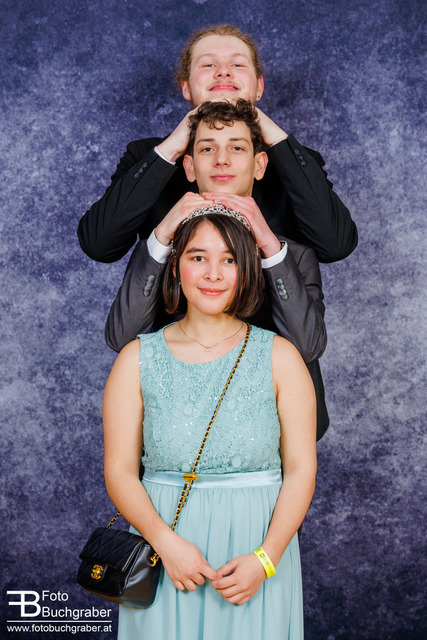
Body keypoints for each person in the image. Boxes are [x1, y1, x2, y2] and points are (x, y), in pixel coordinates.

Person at [103, 208, 317, 639]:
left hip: (257, 549)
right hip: (165, 547)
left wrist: (265, 559)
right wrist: (166, 545)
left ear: (247, 270)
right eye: (198, 257)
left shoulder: (281, 357)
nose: (213, 274)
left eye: (229, 259)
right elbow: (120, 471)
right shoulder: (136, 359)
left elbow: (301, 470)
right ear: (175, 267)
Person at [105, 100, 329, 439]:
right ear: (190, 167)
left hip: (272, 436)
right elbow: (122, 339)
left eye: (236, 148)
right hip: (176, 432)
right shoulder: (162, 251)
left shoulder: (291, 256)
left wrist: (268, 244)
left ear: (259, 165)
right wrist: (162, 234)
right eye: (207, 148)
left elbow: (308, 346)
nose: (221, 160)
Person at [77, 24, 357, 265]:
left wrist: (269, 131)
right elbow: (100, 246)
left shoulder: (297, 160)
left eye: (238, 65)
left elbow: (335, 245)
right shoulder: (145, 156)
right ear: (186, 87)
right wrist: (172, 147)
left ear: (259, 87)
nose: (223, 72)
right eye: (208, 65)